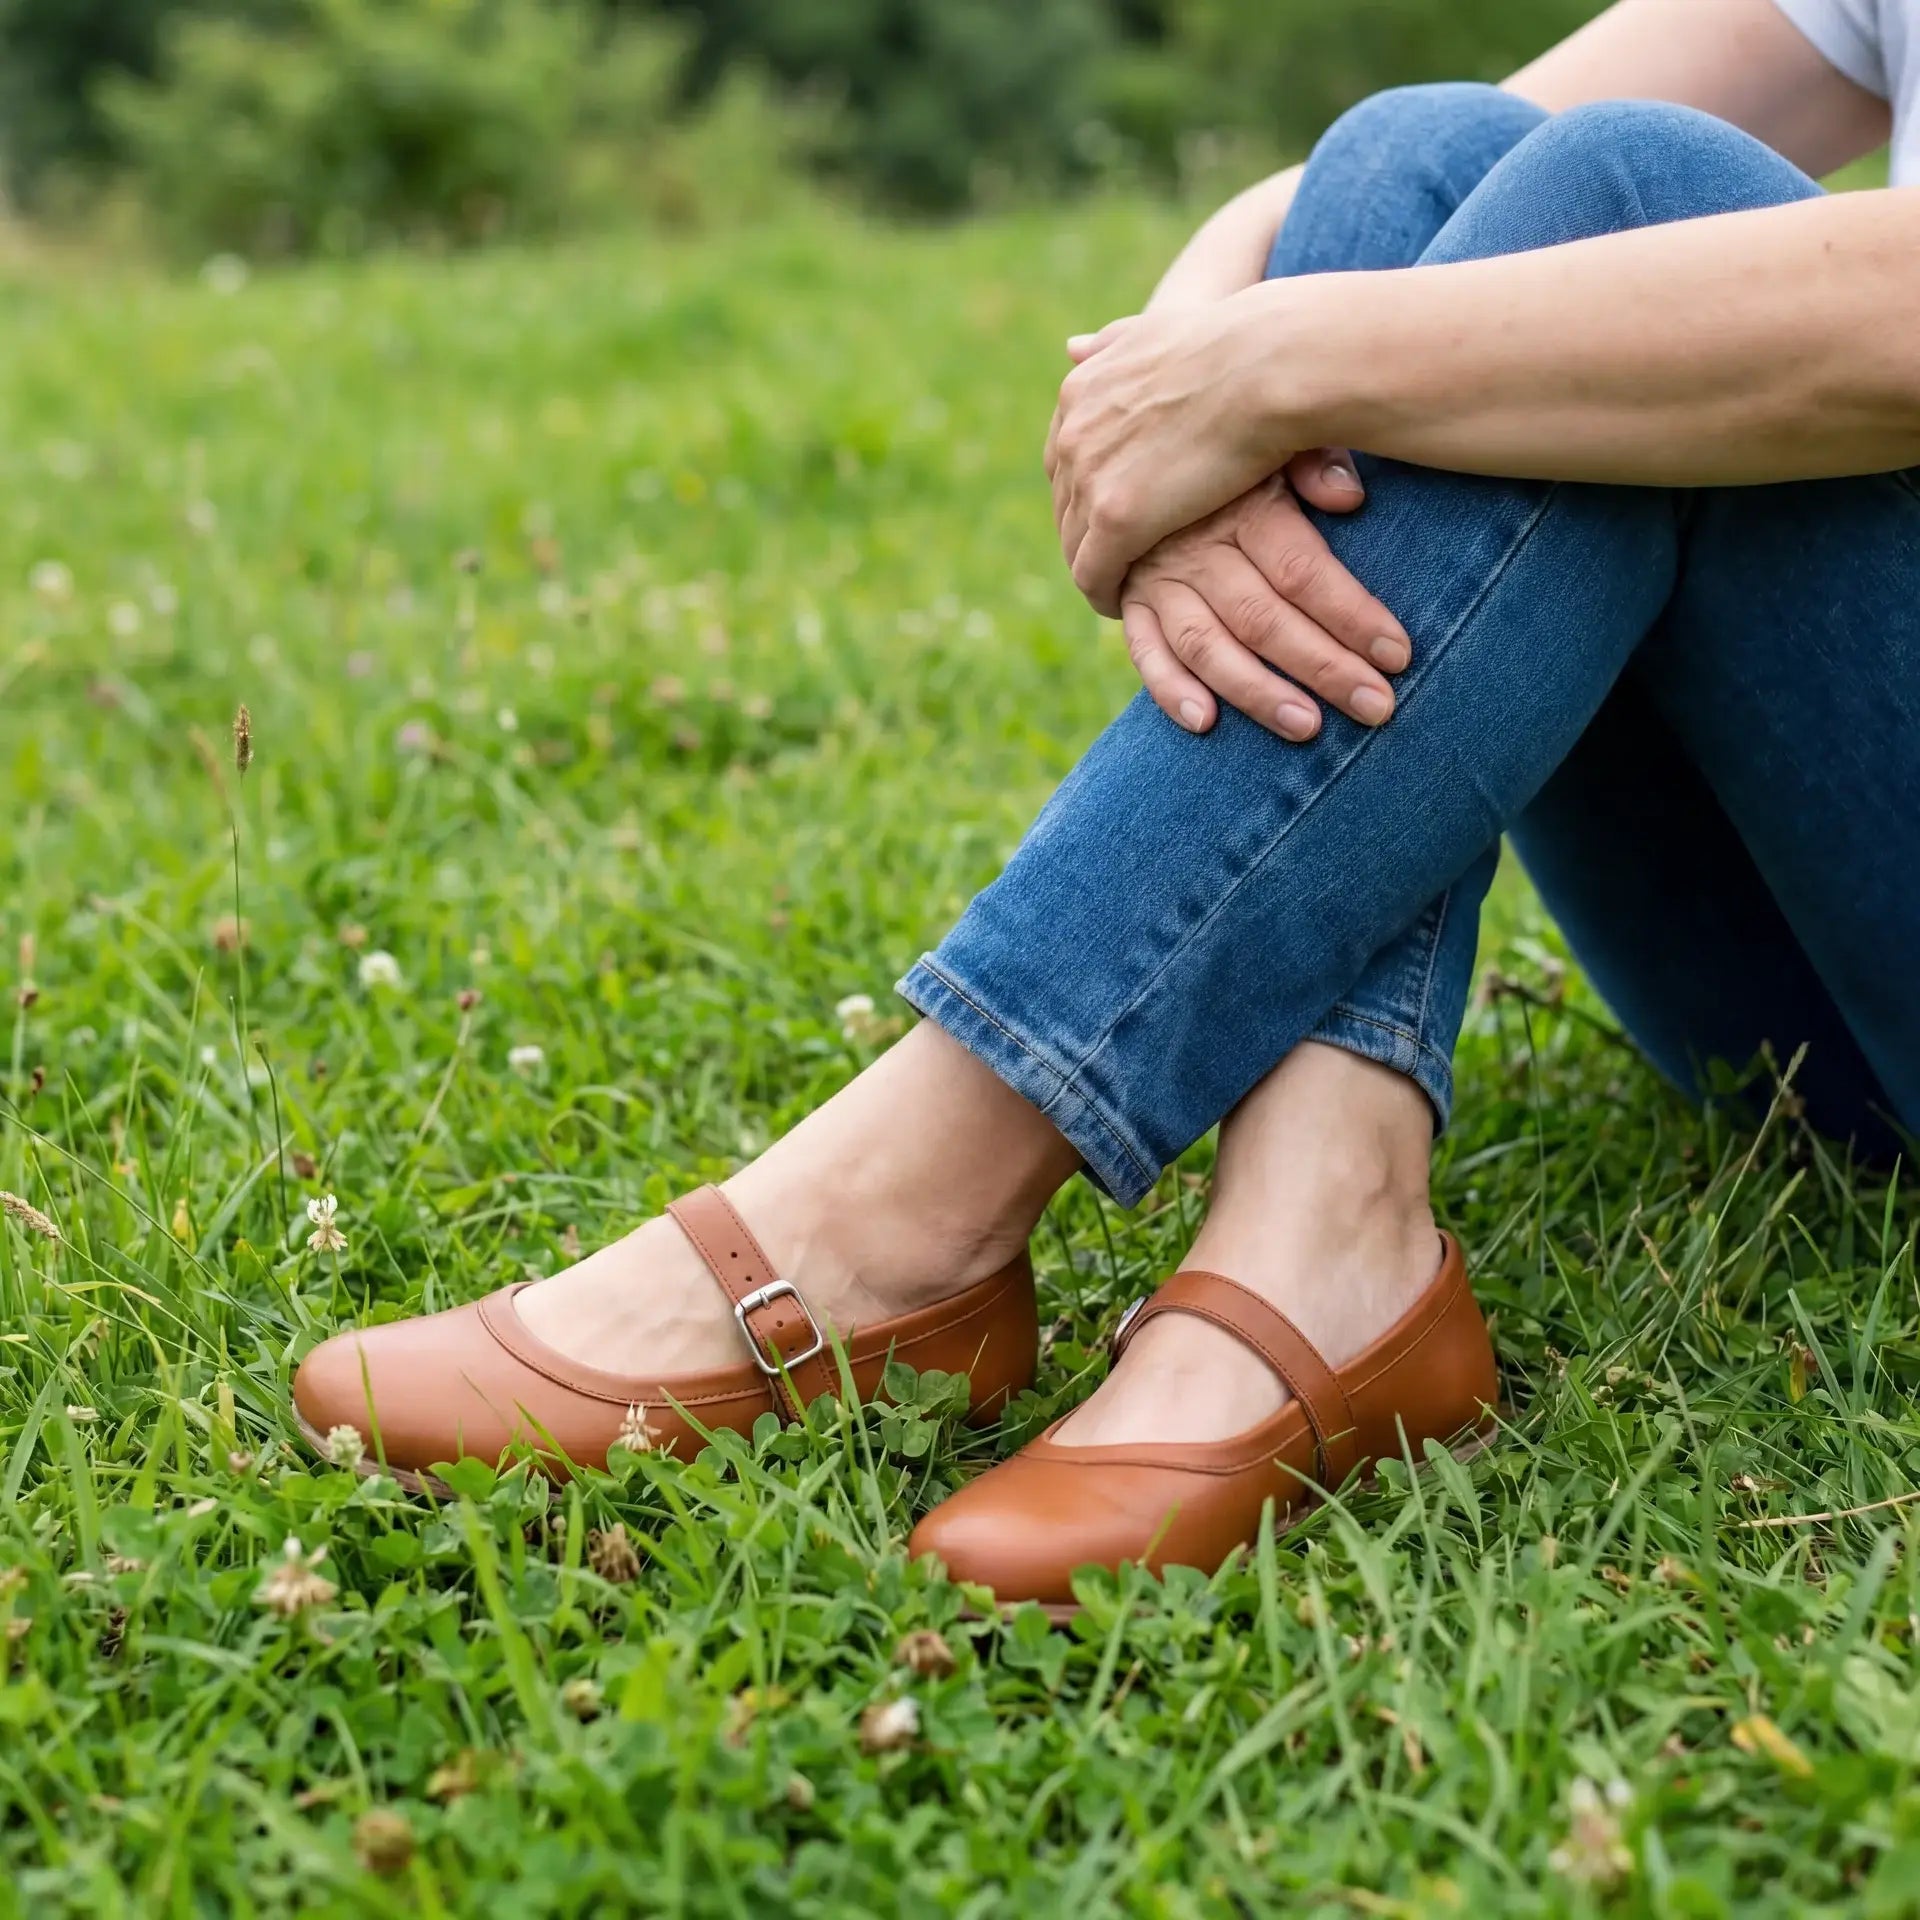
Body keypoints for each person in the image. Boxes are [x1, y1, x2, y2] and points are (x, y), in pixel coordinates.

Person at [292, 0, 1920, 1614]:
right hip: (1814, 965)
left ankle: (911, 1199)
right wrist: (1179, 372)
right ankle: (1328, 1216)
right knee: (1408, 164)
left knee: (1628, 199)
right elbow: (1350, 199)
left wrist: (1274, 370)